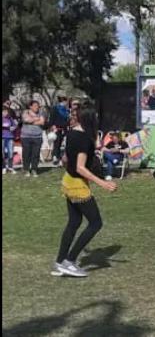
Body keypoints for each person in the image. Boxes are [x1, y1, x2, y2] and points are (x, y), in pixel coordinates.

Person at [52, 106, 117, 278]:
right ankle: (69, 262)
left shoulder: (72, 133)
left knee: (74, 221)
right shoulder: (83, 138)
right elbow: (80, 168)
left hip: (68, 181)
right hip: (77, 185)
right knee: (96, 223)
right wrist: (102, 183)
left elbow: (65, 159)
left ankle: (60, 262)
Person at [21, 100, 46, 177]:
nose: (36, 107)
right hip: (26, 137)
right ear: (30, 106)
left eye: (37, 106)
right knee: (26, 154)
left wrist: (31, 120)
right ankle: (26, 170)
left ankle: (34, 169)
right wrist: (37, 119)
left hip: (37, 136)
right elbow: (26, 120)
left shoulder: (41, 112)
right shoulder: (26, 112)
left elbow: (42, 122)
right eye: (35, 106)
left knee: (36, 154)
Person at [49, 96, 70, 165]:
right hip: (57, 128)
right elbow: (51, 118)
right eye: (66, 101)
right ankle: (55, 157)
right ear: (63, 101)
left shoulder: (66, 110)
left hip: (65, 129)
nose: (67, 103)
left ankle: (62, 158)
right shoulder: (55, 108)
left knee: (64, 143)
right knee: (57, 143)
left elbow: (67, 119)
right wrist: (52, 126)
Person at [3, 107, 18, 174]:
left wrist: (13, 128)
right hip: (2, 137)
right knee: (2, 153)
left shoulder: (10, 118)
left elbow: (15, 126)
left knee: (11, 153)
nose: (5, 113)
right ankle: (3, 167)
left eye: (6, 111)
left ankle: (10, 167)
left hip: (10, 137)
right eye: (3, 112)